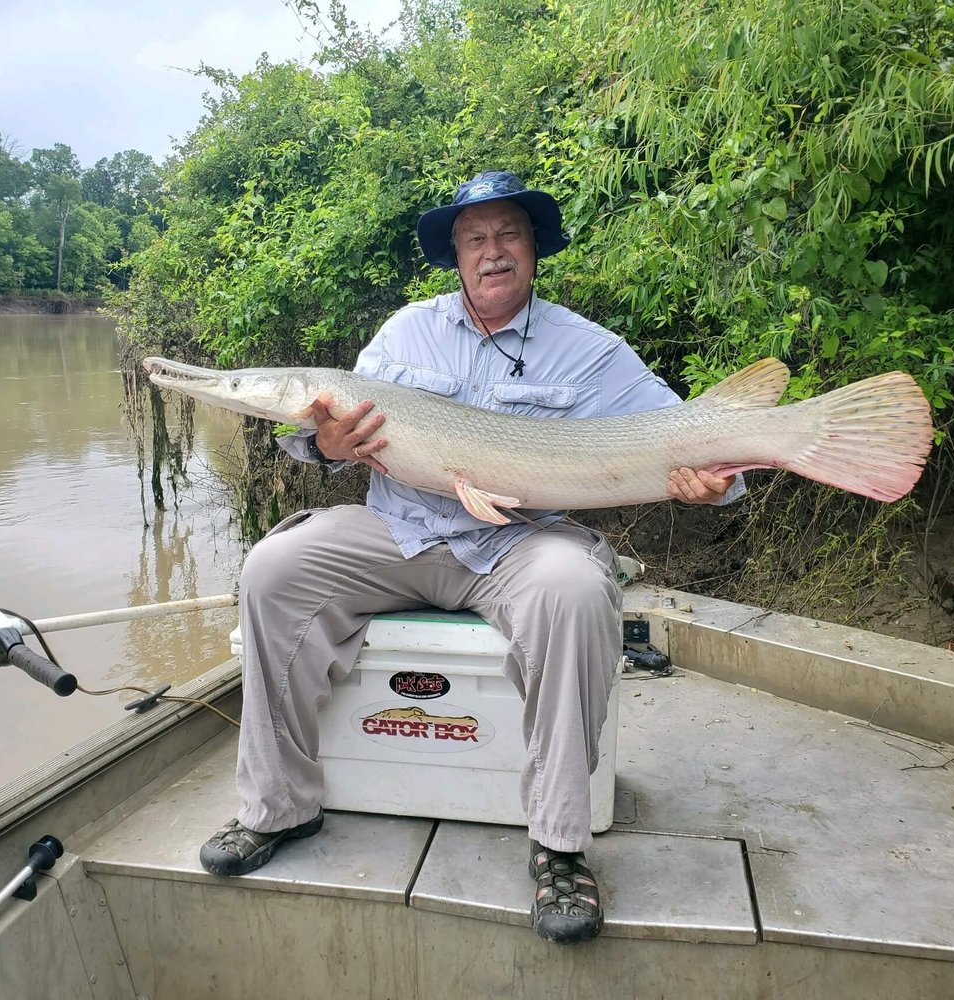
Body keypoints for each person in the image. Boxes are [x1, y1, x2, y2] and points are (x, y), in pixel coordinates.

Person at [198, 170, 743, 944]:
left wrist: (710, 485)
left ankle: (558, 846)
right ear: (455, 256)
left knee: (572, 590)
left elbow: (695, 444)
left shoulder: (589, 351)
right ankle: (276, 809)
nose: (492, 251)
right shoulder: (402, 334)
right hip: (400, 533)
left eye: (508, 234)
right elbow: (314, 436)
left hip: (520, 543)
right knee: (274, 570)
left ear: (532, 249)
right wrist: (323, 446)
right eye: (475, 238)